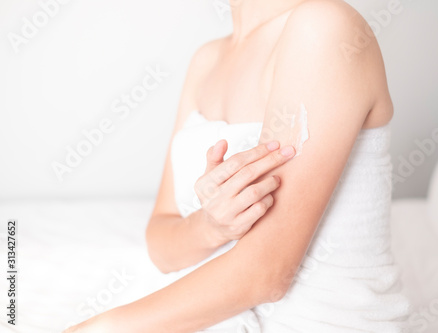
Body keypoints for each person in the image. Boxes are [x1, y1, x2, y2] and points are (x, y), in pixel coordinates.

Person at [66, 0, 409, 331]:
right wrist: (209, 227)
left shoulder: (325, 26)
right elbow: (161, 245)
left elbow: (266, 275)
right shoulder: (206, 60)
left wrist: (101, 327)